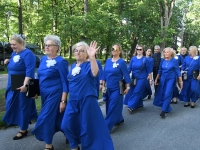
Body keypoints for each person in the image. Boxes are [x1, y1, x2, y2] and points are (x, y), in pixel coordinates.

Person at [61, 41, 114, 150]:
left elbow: (94, 73)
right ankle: (74, 145)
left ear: (86, 54)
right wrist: (64, 100)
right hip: (73, 101)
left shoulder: (90, 64)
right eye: (76, 50)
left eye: (81, 51)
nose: (78, 53)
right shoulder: (72, 67)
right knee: (65, 125)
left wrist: (92, 57)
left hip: (87, 100)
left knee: (87, 128)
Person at [32, 35, 69, 150]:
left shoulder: (61, 61)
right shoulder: (43, 59)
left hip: (55, 93)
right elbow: (38, 76)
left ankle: (48, 144)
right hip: (44, 94)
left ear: (57, 47)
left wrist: (63, 100)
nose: (46, 47)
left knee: (46, 117)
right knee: (59, 117)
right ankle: (70, 134)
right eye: (46, 45)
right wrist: (34, 90)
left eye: (49, 45)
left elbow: (65, 82)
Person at [2, 34, 38, 140]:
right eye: (11, 44)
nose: (12, 46)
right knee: (11, 103)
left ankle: (23, 129)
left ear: (21, 43)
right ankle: (25, 120)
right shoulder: (14, 53)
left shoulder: (28, 54)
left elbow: (30, 72)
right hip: (12, 84)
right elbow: (15, 65)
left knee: (23, 106)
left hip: (22, 84)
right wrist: (8, 61)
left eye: (14, 44)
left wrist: (25, 85)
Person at [102, 43, 131, 131]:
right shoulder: (108, 61)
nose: (114, 50)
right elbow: (104, 74)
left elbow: (126, 75)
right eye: (112, 49)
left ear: (119, 51)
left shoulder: (122, 62)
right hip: (108, 88)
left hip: (118, 88)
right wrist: (102, 85)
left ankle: (106, 128)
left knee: (113, 106)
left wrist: (128, 87)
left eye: (116, 49)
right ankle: (119, 119)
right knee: (109, 106)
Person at [153, 47, 183, 118]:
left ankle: (163, 111)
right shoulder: (162, 60)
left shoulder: (174, 61)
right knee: (163, 93)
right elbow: (160, 70)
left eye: (168, 52)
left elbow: (178, 72)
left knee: (167, 93)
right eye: (165, 52)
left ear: (171, 53)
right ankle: (167, 107)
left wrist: (181, 82)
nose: (166, 53)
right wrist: (156, 79)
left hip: (171, 79)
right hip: (163, 79)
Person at [124, 45, 152, 113]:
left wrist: (150, 80)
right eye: (138, 49)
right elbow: (129, 68)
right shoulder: (133, 59)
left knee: (137, 91)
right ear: (136, 50)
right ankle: (139, 104)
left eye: (140, 49)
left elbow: (149, 71)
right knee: (133, 91)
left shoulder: (145, 59)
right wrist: (125, 76)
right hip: (134, 78)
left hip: (142, 78)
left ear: (143, 50)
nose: (139, 51)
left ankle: (131, 106)